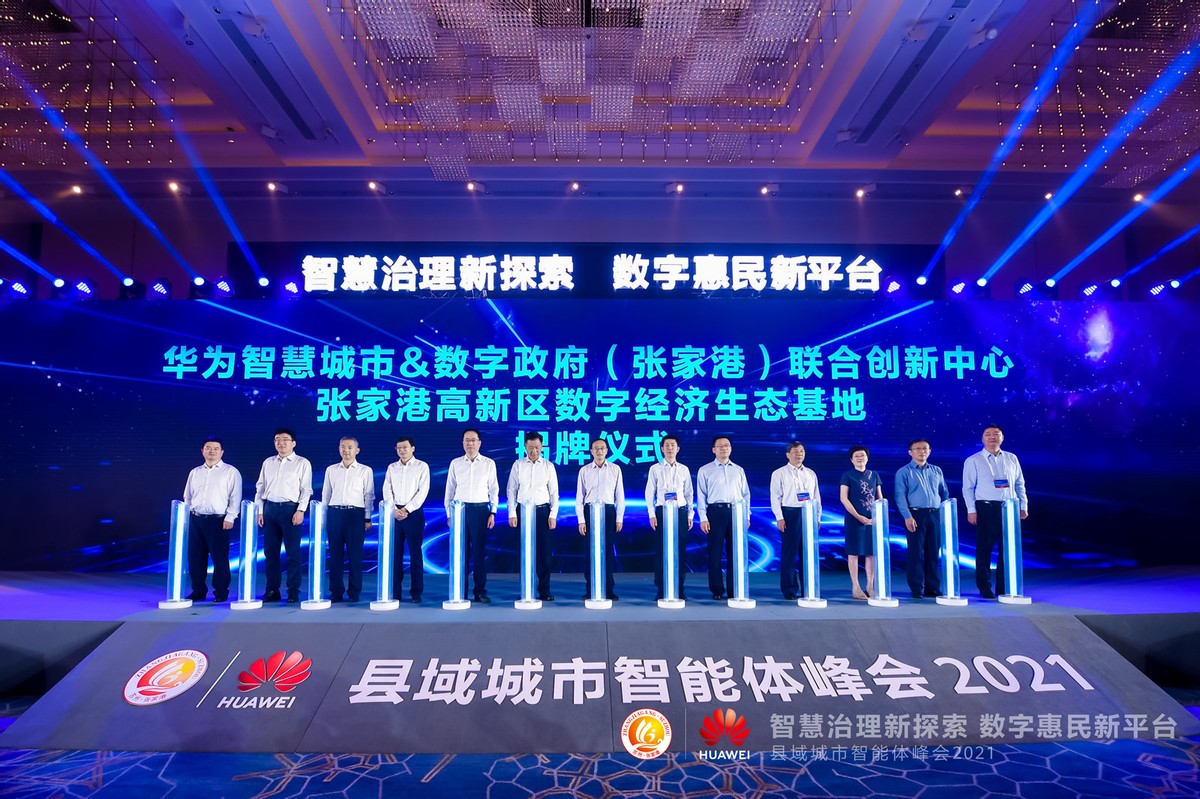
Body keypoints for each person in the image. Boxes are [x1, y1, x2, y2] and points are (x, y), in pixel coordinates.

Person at [962, 425, 1028, 599]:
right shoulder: (973, 460)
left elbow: (1019, 483)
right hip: (986, 508)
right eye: (988, 434)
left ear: (1002, 438)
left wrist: (1023, 505)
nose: (992, 437)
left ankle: (1003, 587)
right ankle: (984, 587)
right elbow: (967, 488)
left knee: (1008, 549)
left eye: (996, 434)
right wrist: (971, 510)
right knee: (984, 549)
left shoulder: (1012, 458)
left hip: (1010, 507)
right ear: (982, 438)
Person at [254, 428, 313, 604]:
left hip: (290, 510)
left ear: (293, 443)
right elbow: (260, 487)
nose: (281, 442)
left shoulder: (302, 463)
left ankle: (293, 591)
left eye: (285, 439)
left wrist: (301, 510)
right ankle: (272, 590)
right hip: (269, 509)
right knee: (270, 553)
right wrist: (260, 511)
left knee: (293, 553)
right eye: (277, 439)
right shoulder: (268, 462)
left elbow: (306, 489)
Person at [182, 437, 242, 603]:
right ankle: (198, 590)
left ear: (222, 452)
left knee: (219, 558)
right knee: (195, 558)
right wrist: (187, 518)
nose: (212, 451)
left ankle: (221, 592)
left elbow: (235, 497)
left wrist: (231, 517)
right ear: (202, 451)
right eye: (208, 448)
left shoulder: (230, 471)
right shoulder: (195, 472)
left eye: (216, 448)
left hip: (219, 521)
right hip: (196, 519)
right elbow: (187, 496)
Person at [445, 428, 499, 603]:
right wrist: (449, 514)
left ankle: (480, 592)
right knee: (461, 554)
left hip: (480, 510)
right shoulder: (455, 463)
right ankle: (460, 591)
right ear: (463, 442)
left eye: (473, 440)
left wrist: (493, 512)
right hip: (460, 511)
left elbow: (494, 489)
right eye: (467, 440)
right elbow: (449, 491)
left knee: (479, 554)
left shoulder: (489, 463)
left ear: (479, 443)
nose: (470, 443)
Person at [696, 435, 751, 601]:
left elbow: (745, 495)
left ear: (731, 448)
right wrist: (703, 517)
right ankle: (717, 589)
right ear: (713, 450)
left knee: (736, 553)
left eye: (726, 445)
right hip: (715, 512)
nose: (723, 448)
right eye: (720, 446)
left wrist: (746, 515)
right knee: (715, 553)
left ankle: (735, 589)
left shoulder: (739, 470)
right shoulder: (705, 470)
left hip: (736, 512)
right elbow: (701, 496)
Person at [507, 431, 560, 601]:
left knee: (544, 553)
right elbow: (511, 490)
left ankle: (544, 591)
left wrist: (553, 514)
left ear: (542, 446)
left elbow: (554, 493)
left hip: (542, 512)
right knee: (525, 551)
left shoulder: (548, 466)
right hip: (522, 511)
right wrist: (512, 513)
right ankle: (526, 588)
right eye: (530, 447)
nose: (534, 451)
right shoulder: (518, 465)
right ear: (525, 446)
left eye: (537, 447)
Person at [895, 439, 950, 600]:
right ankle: (917, 588)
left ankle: (932, 587)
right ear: (910, 452)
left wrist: (944, 512)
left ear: (930, 451)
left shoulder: (936, 470)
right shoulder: (904, 472)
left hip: (935, 514)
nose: (922, 451)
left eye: (925, 448)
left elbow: (944, 492)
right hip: (915, 515)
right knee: (916, 553)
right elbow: (900, 496)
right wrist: (907, 516)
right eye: (917, 448)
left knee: (933, 552)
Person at [321, 437, 374, 603]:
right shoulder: (331, 470)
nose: (346, 450)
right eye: (343, 447)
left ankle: (354, 592)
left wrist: (367, 517)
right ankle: (336, 591)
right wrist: (323, 517)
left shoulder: (365, 470)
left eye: (350, 447)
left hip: (355, 515)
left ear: (357, 450)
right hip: (335, 513)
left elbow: (369, 495)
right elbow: (326, 494)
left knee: (355, 555)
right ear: (339, 449)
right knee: (335, 555)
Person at [769, 441, 821, 600]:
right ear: (788, 455)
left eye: (802, 451)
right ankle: (789, 590)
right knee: (789, 554)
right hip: (790, 514)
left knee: (808, 554)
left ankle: (809, 589)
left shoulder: (810, 473)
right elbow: (775, 497)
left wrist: (817, 517)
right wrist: (779, 517)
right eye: (796, 452)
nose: (799, 454)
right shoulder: (779, 473)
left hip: (808, 513)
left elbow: (816, 496)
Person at [645, 434, 694, 600]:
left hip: (680, 512)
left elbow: (689, 493)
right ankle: (661, 588)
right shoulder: (655, 468)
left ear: (678, 448)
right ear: (662, 449)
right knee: (662, 550)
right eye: (667, 445)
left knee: (679, 550)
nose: (670, 448)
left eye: (673, 445)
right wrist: (652, 514)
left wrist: (690, 514)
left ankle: (679, 588)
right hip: (662, 512)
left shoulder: (684, 469)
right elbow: (649, 493)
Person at [382, 435, 429, 603]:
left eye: (405, 447)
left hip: (413, 513)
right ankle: (395, 592)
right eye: (399, 448)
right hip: (394, 514)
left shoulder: (421, 466)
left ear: (412, 448)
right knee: (395, 555)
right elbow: (387, 489)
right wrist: (394, 509)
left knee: (415, 554)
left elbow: (423, 491)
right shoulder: (392, 467)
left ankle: (416, 593)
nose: (402, 450)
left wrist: (407, 509)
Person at [576, 437, 624, 601]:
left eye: (602, 448)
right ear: (591, 451)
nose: (599, 451)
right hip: (589, 511)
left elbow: (620, 496)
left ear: (607, 451)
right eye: (596, 448)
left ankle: (608, 589)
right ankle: (590, 589)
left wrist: (619, 518)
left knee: (607, 551)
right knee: (591, 551)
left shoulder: (615, 469)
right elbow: (579, 497)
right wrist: (581, 520)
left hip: (608, 512)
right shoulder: (584, 470)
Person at [839, 445, 882, 600]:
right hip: (854, 519)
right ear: (851, 459)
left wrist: (877, 516)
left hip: (872, 519)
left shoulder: (874, 475)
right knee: (854, 552)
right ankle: (855, 587)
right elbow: (844, 498)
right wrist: (858, 516)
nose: (860, 458)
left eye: (862, 455)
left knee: (871, 553)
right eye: (856, 456)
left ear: (867, 458)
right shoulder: (847, 476)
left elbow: (879, 498)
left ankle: (870, 585)